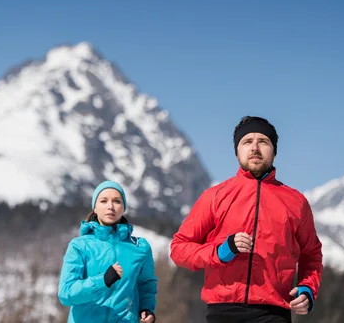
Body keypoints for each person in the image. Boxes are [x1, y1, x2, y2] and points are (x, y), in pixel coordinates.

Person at [170, 116, 323, 323]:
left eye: (263, 141)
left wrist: (307, 289)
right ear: (237, 152)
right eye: (247, 141)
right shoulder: (214, 197)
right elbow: (179, 249)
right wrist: (220, 252)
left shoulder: (296, 202)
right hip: (222, 312)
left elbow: (311, 254)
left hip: (273, 314)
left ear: (274, 151)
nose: (255, 147)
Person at [58, 180, 157, 323]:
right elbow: (66, 294)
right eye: (103, 201)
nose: (110, 206)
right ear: (95, 208)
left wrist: (147, 309)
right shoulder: (79, 246)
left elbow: (146, 284)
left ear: (124, 208)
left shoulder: (140, 248)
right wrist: (102, 280)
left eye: (117, 201)